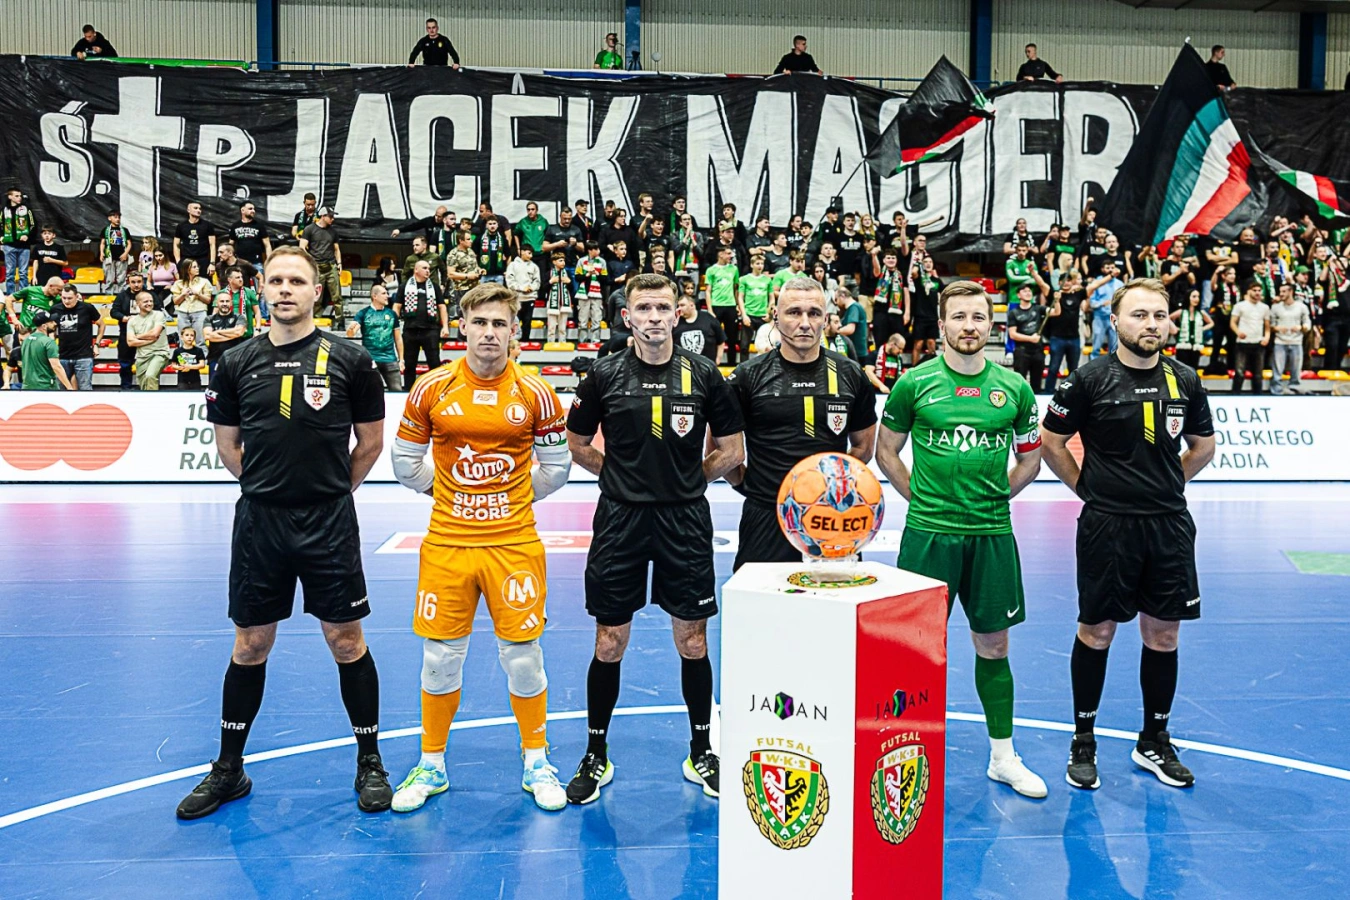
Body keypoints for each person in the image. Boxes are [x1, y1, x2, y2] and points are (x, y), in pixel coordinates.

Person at [177, 246, 391, 820]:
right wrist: (271, 487)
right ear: (262, 290)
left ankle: (370, 761)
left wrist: (329, 490)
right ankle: (229, 769)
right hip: (261, 523)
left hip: (328, 522)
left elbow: (370, 443)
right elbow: (229, 447)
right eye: (276, 280)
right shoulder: (235, 361)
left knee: (346, 641)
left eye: (297, 280)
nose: (285, 289)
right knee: (250, 644)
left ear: (317, 291)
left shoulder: (351, 360)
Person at [388, 282, 572, 813]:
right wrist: (451, 492)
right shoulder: (431, 387)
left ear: (514, 332)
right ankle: (432, 763)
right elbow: (405, 463)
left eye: (499, 324)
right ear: (462, 327)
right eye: (480, 323)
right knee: (440, 658)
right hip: (448, 543)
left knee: (523, 658)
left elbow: (557, 469)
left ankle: (536, 761)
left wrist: (508, 498)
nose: (489, 333)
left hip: (514, 544)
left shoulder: (536, 392)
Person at [563, 273, 745, 804]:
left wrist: (687, 481)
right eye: (643, 308)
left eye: (663, 307)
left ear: (678, 314)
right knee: (609, 640)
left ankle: (702, 750)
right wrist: (621, 479)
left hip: (684, 520)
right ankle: (595, 753)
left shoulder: (705, 374)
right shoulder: (603, 374)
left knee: (693, 640)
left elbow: (732, 450)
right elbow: (577, 444)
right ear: (628, 317)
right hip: (620, 520)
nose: (654, 317)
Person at [1040, 277, 1216, 792]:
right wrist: (1088, 489)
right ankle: (1083, 740)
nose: (1151, 324)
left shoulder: (1185, 379)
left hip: (1168, 525)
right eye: (1139, 315)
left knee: (1163, 635)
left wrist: (1164, 486)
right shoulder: (1088, 379)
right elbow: (1051, 443)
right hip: (1107, 525)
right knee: (1097, 631)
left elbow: (1203, 447)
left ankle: (1154, 741)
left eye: (1159, 315)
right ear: (1114, 321)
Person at [875, 280, 1048, 800]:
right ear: (942, 324)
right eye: (959, 317)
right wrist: (920, 499)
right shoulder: (914, 383)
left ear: (991, 325)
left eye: (978, 317)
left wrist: (995, 499)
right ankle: (904, 758)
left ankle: (1003, 757)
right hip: (928, 535)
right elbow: (886, 452)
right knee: (914, 650)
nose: (969, 326)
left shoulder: (1014, 389)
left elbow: (1031, 460)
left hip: (992, 534)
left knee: (994, 644)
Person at [725, 275, 876, 565]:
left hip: (833, 517)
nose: (805, 323)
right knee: (760, 594)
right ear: (776, 317)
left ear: (825, 319)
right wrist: (754, 489)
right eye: (794, 312)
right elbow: (722, 448)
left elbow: (863, 448)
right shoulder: (747, 376)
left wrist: (834, 491)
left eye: (814, 313)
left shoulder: (851, 374)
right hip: (766, 515)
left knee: (835, 594)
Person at [395, 259, 449, 391]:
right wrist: (394, 325)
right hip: (410, 330)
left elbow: (442, 307)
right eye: (424, 268)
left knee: (434, 364)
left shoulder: (434, 287)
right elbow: (397, 306)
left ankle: (435, 391)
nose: (428, 271)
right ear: (416, 270)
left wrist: (445, 326)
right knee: (409, 365)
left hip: (430, 330)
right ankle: (408, 392)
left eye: (429, 268)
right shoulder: (404, 286)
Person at [349, 284, 404, 391]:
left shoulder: (392, 314)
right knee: (370, 392)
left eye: (387, 293)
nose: (387, 296)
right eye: (384, 293)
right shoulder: (363, 313)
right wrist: (351, 329)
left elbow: (398, 338)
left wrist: (401, 360)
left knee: (397, 390)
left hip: (390, 358)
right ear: (374, 296)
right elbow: (351, 334)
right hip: (370, 359)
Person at [53, 284, 104, 391]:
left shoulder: (87, 308)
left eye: (69, 298)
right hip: (63, 355)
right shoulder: (55, 309)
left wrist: (96, 344)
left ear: (77, 296)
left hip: (83, 356)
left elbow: (102, 325)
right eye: (64, 298)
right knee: (60, 389)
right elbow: (51, 329)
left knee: (85, 389)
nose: (66, 301)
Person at [299, 207, 344, 327]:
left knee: (337, 296)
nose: (333, 219)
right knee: (316, 296)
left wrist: (339, 263)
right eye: (330, 216)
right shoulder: (310, 229)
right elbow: (302, 246)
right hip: (317, 266)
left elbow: (336, 249)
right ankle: (315, 320)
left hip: (331, 265)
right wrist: (310, 261)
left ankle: (340, 321)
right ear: (323, 216)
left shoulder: (333, 232)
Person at [1230, 278, 1271, 393]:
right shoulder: (1240, 306)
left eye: (1259, 290)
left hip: (1258, 343)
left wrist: (1266, 337)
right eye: (1254, 290)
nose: (1257, 293)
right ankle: (1235, 396)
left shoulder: (1265, 307)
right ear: (1249, 291)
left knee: (1258, 374)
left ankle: (1258, 397)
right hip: (1243, 343)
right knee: (1239, 372)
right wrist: (1238, 332)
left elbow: (1267, 326)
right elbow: (1232, 322)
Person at [1045, 270, 1085, 391]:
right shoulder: (1054, 294)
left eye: (1068, 280)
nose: (1066, 283)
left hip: (1074, 337)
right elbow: (1042, 284)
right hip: (1057, 337)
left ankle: (1073, 393)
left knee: (1073, 369)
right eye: (1063, 281)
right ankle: (1048, 392)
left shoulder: (1078, 293)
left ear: (1072, 282)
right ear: (1058, 283)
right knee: (1053, 368)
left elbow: (1093, 286)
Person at [1269, 282, 1311, 394]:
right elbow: (1271, 325)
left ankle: (1294, 388)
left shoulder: (1301, 307)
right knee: (1277, 370)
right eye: (1280, 291)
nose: (1281, 294)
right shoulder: (1275, 307)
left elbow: (1307, 323)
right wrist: (1277, 328)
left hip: (1296, 341)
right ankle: (1276, 390)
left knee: (1296, 370)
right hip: (1280, 342)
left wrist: (1301, 327)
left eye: (1284, 291)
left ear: (1291, 292)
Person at [124, 291, 170, 391]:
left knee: (150, 376)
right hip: (141, 356)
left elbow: (155, 334)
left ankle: (152, 400)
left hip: (159, 353)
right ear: (137, 303)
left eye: (151, 301)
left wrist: (138, 336)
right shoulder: (132, 320)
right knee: (143, 384)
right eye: (146, 301)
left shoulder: (159, 315)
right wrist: (149, 341)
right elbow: (130, 342)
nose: (149, 303)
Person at [109, 272, 148, 389]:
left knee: (147, 363)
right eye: (133, 282)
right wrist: (124, 318)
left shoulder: (150, 295)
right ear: (128, 283)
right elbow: (113, 312)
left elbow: (159, 310)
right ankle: (126, 387)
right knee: (125, 364)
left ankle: (147, 387)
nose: (136, 285)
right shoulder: (122, 296)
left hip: (146, 334)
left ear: (143, 282)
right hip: (126, 334)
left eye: (139, 282)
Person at [1007, 283, 1049, 393]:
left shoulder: (1038, 308)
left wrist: (1057, 300)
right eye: (1024, 291)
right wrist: (1030, 338)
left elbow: (1056, 312)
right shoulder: (1013, 313)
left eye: (1029, 291)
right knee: (1019, 384)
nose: (1028, 293)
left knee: (1037, 385)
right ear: (1018, 295)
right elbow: (1012, 334)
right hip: (1022, 352)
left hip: (1038, 351)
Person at [704, 246, 742, 364]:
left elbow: (736, 288)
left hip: (730, 306)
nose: (731, 256)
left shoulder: (734, 269)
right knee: (713, 337)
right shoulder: (711, 270)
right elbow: (708, 291)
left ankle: (732, 365)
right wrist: (710, 309)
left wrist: (737, 305)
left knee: (732, 338)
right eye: (728, 253)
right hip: (716, 306)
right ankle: (712, 363)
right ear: (721, 254)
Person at [19, 312, 74, 391]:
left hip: (27, 386)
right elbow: (56, 366)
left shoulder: (26, 340)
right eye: (51, 322)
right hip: (45, 386)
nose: (55, 323)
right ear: (44, 326)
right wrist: (69, 387)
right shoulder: (48, 342)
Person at [673, 289, 727, 363]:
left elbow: (721, 340)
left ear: (692, 305)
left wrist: (718, 359)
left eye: (682, 305)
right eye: (678, 306)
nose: (679, 308)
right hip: (683, 366)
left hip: (707, 365)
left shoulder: (708, 318)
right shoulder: (675, 322)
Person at [204, 291, 248, 382]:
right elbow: (208, 335)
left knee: (234, 388)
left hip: (235, 360)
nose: (225, 304)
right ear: (217, 303)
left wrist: (218, 332)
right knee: (214, 388)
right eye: (222, 301)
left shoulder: (239, 317)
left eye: (227, 301)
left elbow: (239, 332)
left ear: (231, 303)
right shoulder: (209, 319)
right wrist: (233, 334)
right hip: (215, 359)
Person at [908, 254, 944, 365]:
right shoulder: (919, 279)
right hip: (920, 316)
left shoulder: (937, 281)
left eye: (930, 262)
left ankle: (932, 368)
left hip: (933, 317)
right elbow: (913, 273)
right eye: (925, 262)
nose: (928, 264)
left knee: (931, 343)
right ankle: (914, 369)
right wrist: (917, 262)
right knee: (918, 344)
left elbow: (944, 293)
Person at [737, 253, 772, 359]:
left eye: (762, 263)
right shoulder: (744, 279)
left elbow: (771, 298)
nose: (760, 266)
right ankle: (744, 367)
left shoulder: (767, 280)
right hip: (749, 315)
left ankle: (763, 366)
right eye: (757, 263)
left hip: (762, 316)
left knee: (764, 345)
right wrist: (744, 315)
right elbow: (740, 297)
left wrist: (768, 313)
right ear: (752, 265)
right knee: (744, 346)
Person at [171, 259, 213, 343]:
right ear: (187, 269)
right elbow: (175, 302)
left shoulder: (204, 282)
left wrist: (198, 294)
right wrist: (183, 294)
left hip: (199, 311)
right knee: (183, 341)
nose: (197, 268)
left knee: (200, 340)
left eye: (197, 266)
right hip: (183, 312)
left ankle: (201, 352)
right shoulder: (178, 283)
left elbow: (208, 300)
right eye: (194, 267)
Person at [2, 188, 35, 294]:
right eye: (16, 196)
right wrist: (1, 236)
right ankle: (10, 295)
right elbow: (1, 225)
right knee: (9, 273)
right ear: (10, 197)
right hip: (8, 245)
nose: (19, 198)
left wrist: (27, 236)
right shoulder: (4, 210)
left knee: (23, 273)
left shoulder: (26, 209)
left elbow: (33, 225)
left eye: (20, 196)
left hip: (24, 246)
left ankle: (22, 295)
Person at [574, 241, 608, 344]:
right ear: (589, 250)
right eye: (596, 249)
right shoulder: (581, 261)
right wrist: (587, 275)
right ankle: (582, 341)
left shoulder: (602, 262)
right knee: (583, 320)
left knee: (596, 319)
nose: (598, 251)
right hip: (583, 294)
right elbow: (577, 277)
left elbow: (605, 278)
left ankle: (595, 341)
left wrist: (597, 274)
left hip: (597, 293)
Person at [1086, 261, 1123, 357]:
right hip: (1100, 317)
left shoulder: (1120, 284)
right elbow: (1092, 303)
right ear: (1102, 269)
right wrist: (1102, 303)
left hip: (1115, 318)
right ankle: (1094, 365)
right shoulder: (1096, 283)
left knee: (1114, 348)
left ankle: (1113, 366)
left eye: (1112, 267)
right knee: (1096, 347)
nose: (1110, 270)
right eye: (1108, 268)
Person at [506, 244, 542, 342]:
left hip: (530, 298)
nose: (531, 256)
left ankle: (526, 341)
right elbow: (510, 282)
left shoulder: (534, 267)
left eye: (532, 254)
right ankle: (514, 342)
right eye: (529, 253)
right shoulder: (512, 265)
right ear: (522, 252)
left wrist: (531, 288)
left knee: (527, 321)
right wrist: (522, 288)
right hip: (516, 299)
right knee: (515, 321)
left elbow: (537, 282)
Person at [1170, 288, 1211, 371]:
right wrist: (1175, 328)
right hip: (1183, 346)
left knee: (1193, 370)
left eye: (1198, 297)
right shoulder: (1181, 311)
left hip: (1196, 346)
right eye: (1194, 296)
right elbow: (1168, 319)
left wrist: (1202, 329)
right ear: (1188, 297)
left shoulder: (1201, 312)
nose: (1197, 299)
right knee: (1182, 370)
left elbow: (1211, 323)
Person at [173, 201, 217, 279]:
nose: (198, 210)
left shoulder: (207, 225)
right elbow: (176, 245)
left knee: (204, 283)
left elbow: (212, 245)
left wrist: (212, 263)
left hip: (202, 260)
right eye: (195, 208)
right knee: (186, 283)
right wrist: (178, 262)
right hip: (187, 259)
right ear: (188, 210)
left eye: (200, 208)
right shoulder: (181, 226)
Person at [228, 202, 271, 278]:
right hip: (239, 262)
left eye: (254, 209)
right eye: (250, 209)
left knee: (259, 283)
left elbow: (267, 245)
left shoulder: (259, 225)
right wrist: (230, 259)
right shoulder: (235, 226)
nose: (253, 211)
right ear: (242, 210)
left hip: (256, 262)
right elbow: (230, 244)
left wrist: (269, 261)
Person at [543, 252, 573, 344]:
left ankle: (562, 343)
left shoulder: (567, 273)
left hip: (564, 304)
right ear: (554, 262)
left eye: (563, 260)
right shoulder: (549, 273)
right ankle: (550, 343)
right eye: (560, 260)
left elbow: (572, 289)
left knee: (562, 328)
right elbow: (543, 288)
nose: (563, 262)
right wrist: (550, 282)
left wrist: (569, 282)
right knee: (551, 327)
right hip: (552, 303)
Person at [99, 210, 131, 293]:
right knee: (109, 279)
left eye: (119, 217)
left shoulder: (124, 230)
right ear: (109, 218)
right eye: (115, 217)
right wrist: (101, 253)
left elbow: (129, 244)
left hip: (121, 257)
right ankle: (108, 296)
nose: (118, 219)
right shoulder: (106, 230)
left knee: (121, 279)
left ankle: (122, 296)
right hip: (109, 257)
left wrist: (125, 254)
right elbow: (102, 243)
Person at [836, 288, 869, 363]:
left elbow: (850, 329)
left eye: (836, 299)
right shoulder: (851, 308)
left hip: (857, 352)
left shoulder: (854, 308)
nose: (836, 303)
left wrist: (835, 331)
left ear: (842, 296)